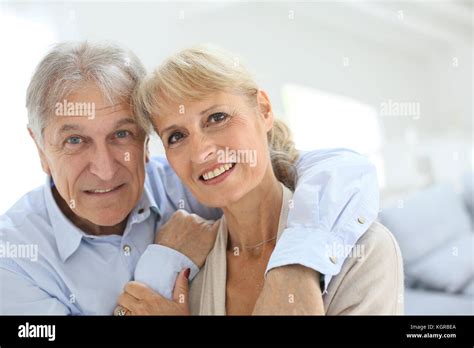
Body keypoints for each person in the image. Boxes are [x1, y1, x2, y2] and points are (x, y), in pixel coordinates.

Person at [0, 41, 380, 315]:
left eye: (122, 134)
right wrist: (164, 262)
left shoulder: (193, 180)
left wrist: (295, 267)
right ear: (39, 149)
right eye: (74, 140)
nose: (104, 167)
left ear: (147, 142)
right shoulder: (13, 259)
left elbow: (342, 171)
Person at [116, 45, 403, 315]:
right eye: (176, 136)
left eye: (216, 118)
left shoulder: (363, 254)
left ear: (264, 110)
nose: (201, 152)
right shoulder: (187, 268)